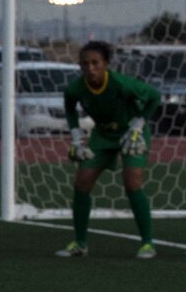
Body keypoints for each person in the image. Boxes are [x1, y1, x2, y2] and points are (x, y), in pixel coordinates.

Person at [57, 40, 162, 259]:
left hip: (131, 133)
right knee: (82, 181)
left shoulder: (121, 84)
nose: (90, 68)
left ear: (106, 63)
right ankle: (80, 243)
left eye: (95, 63)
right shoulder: (76, 88)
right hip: (103, 135)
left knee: (132, 182)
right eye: (85, 64)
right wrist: (76, 135)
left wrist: (139, 123)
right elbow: (69, 106)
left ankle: (147, 243)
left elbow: (154, 96)